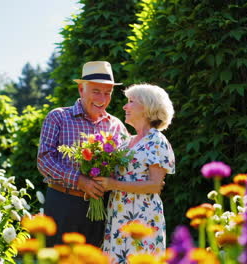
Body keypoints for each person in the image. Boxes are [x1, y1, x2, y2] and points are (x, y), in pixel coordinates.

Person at [37, 61, 128, 247]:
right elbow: (44, 161)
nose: (102, 99)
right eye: (96, 91)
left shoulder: (116, 125)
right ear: (81, 89)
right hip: (63, 203)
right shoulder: (58, 117)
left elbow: (125, 164)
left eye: (107, 93)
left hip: (100, 208)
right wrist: (80, 180)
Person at [94, 83, 175, 263]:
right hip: (118, 216)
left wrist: (113, 184)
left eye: (131, 101)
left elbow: (155, 185)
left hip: (142, 218)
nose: (125, 106)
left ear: (147, 107)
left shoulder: (156, 141)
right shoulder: (126, 142)